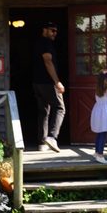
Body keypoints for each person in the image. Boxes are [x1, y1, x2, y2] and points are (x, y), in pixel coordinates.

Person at [32, 21, 65, 152]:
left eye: (56, 31)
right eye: (52, 30)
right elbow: (48, 61)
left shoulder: (37, 43)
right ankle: (52, 136)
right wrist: (57, 82)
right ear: (44, 30)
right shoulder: (45, 44)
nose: (54, 33)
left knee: (44, 111)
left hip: (37, 82)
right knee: (60, 108)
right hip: (47, 82)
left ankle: (42, 142)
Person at [90, 70, 107, 164]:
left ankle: (97, 152)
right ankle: (100, 155)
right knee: (103, 134)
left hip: (99, 111)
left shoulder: (99, 88)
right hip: (105, 113)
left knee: (99, 134)